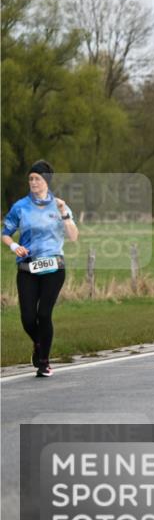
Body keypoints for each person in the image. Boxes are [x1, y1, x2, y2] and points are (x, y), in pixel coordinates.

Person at [2, 160, 79, 378]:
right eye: (31, 178)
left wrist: (64, 212)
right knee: (28, 318)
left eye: (37, 178)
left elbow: (73, 237)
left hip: (54, 267)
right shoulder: (20, 206)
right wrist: (14, 245)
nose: (33, 182)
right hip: (28, 268)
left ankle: (44, 361)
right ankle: (39, 343)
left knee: (44, 314)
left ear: (47, 180)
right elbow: (5, 233)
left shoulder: (60, 205)